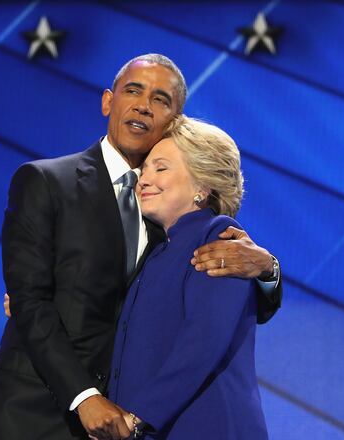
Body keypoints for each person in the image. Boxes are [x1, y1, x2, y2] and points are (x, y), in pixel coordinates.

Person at [0, 54, 281, 440]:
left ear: (175, 120)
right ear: (107, 102)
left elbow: (216, 310)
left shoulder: (174, 216)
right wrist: (84, 396)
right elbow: (31, 302)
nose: (144, 105)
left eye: (161, 99)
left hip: (123, 423)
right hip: (32, 413)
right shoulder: (46, 182)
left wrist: (268, 269)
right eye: (133, 90)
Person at [109, 116, 267, 439]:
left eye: (161, 168)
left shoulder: (219, 238)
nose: (143, 179)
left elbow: (203, 339)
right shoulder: (158, 252)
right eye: (145, 169)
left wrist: (138, 418)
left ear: (201, 187)